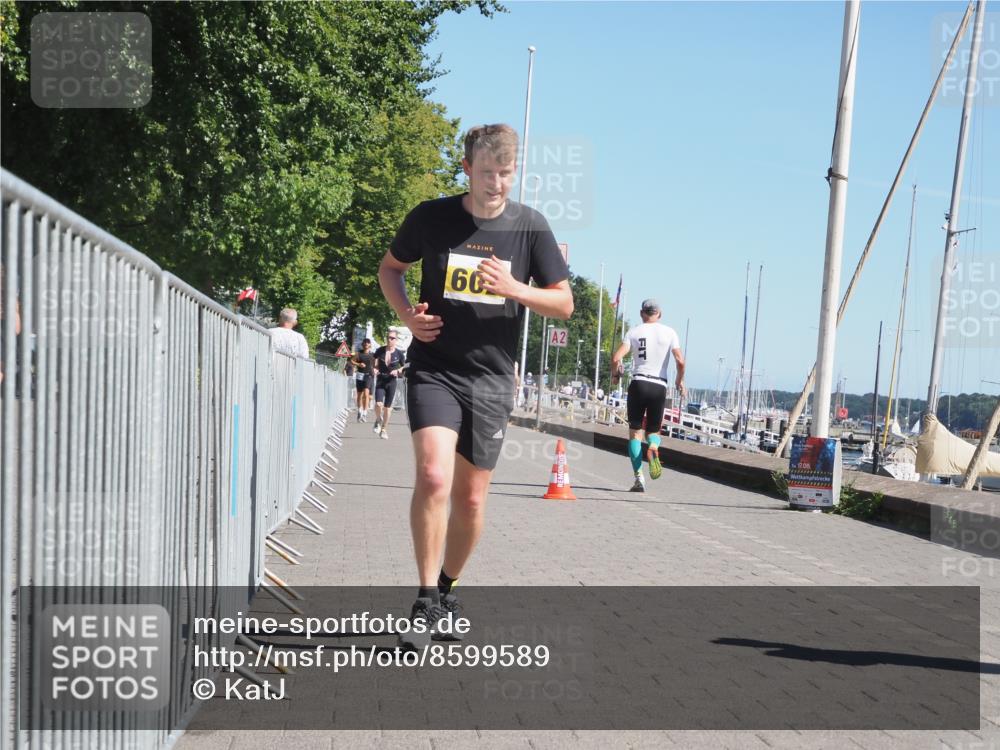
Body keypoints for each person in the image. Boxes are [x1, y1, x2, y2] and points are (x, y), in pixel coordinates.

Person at [378, 123, 573, 646]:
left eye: (505, 174)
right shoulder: (432, 217)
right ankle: (423, 602)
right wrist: (407, 317)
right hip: (435, 366)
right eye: (487, 173)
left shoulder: (531, 228)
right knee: (434, 476)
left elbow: (564, 302)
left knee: (469, 500)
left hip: (491, 378)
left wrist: (515, 288)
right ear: (467, 169)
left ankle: (447, 587)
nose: (496, 183)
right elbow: (390, 269)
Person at [611, 298, 685, 492]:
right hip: (658, 386)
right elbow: (680, 361)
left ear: (642, 314)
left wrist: (616, 375)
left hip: (638, 383)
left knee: (635, 433)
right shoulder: (670, 332)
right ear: (659, 314)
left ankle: (639, 479)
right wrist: (679, 381)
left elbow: (616, 357)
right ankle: (653, 446)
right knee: (653, 432)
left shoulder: (634, 332)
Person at [372, 331, 406, 439]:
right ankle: (378, 419)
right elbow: (374, 361)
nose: (389, 339)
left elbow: (404, 366)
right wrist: (374, 368)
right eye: (388, 337)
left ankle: (384, 429)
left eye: (392, 338)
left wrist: (398, 371)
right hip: (381, 379)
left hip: (391, 381)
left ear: (396, 340)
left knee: (387, 408)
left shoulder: (399, 353)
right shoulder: (380, 350)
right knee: (378, 404)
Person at [350, 339, 375, 422]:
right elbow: (351, 361)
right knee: (359, 395)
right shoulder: (359, 354)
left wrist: (376, 369)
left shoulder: (372, 355)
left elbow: (377, 364)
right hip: (360, 375)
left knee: (366, 394)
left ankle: (365, 413)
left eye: (368, 343)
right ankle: (360, 411)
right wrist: (358, 364)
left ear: (370, 345)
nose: (366, 344)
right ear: (362, 344)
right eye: (364, 343)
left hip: (369, 376)